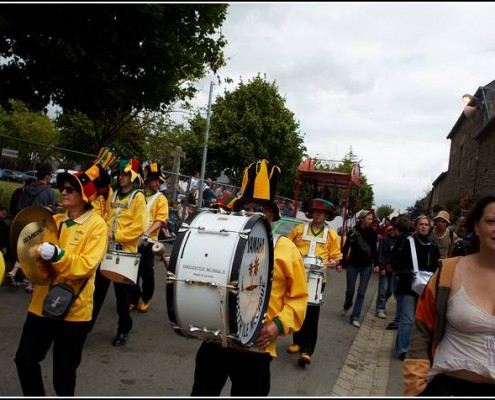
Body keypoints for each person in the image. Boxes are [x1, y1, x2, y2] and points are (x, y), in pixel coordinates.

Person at [190, 159, 308, 396]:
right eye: (248, 207)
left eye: (260, 209)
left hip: (255, 350)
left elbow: (298, 299)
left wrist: (277, 326)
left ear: (272, 216)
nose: (252, 213)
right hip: (217, 341)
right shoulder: (222, 241)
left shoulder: (286, 248)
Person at [13, 165, 109, 396]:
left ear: (84, 196)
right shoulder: (52, 220)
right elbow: (33, 261)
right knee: (25, 360)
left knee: (63, 374)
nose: (63, 192)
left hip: (74, 310)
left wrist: (57, 255)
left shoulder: (97, 226)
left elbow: (86, 265)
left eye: (70, 190)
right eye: (62, 188)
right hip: (40, 306)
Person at [403, 196, 495, 396]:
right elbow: (421, 330)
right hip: (448, 387)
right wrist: (415, 388)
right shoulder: (449, 272)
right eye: (491, 221)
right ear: (477, 227)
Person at [89, 158, 147, 346]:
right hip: (106, 251)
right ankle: (84, 328)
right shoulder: (112, 194)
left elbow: (138, 227)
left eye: (125, 174)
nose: (121, 177)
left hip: (125, 255)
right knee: (96, 292)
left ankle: (124, 328)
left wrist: (114, 234)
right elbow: (105, 215)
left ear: (133, 176)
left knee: (122, 298)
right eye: (120, 174)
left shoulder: (138, 197)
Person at [286, 198, 342, 366]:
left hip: (318, 278)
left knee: (312, 313)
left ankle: (307, 350)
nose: (318, 216)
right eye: (316, 212)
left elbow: (337, 256)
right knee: (297, 309)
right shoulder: (299, 229)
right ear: (312, 214)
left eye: (322, 214)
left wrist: (335, 263)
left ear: (327, 216)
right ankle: (297, 341)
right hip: (298, 275)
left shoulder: (332, 235)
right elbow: (287, 246)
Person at [391, 215, 440, 361]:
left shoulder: (433, 245)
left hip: (426, 287)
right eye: (421, 224)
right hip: (408, 286)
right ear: (416, 226)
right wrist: (408, 273)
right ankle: (403, 349)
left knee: (422, 320)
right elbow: (395, 262)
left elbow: (437, 265)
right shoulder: (407, 242)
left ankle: (414, 346)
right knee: (407, 319)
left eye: (426, 224)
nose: (424, 227)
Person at [130, 162, 168, 313]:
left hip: (149, 241)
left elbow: (160, 220)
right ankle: (133, 298)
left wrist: (147, 232)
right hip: (133, 239)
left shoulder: (161, 199)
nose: (158, 183)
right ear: (148, 181)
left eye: (159, 181)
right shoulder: (138, 195)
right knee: (132, 271)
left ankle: (146, 298)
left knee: (146, 270)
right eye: (155, 180)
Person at [15, 164, 57, 292]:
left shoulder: (27, 189)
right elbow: (52, 212)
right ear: (47, 176)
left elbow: (19, 207)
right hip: (39, 228)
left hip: (23, 224)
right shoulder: (49, 192)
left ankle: (15, 272)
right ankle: (30, 283)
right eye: (50, 175)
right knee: (37, 255)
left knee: (24, 252)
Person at [340, 209, 379, 328]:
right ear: (362, 219)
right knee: (350, 290)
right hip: (352, 264)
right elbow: (346, 248)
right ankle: (347, 305)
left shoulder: (373, 234)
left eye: (371, 219)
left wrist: (376, 264)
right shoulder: (353, 231)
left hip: (366, 266)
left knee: (361, 292)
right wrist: (341, 263)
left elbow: (374, 251)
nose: (370, 221)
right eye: (368, 219)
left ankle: (355, 317)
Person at [374, 224, 398, 320]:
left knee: (390, 290)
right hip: (384, 268)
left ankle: (383, 303)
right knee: (383, 289)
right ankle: (380, 308)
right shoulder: (385, 240)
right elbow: (380, 254)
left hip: (394, 269)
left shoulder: (400, 241)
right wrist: (382, 267)